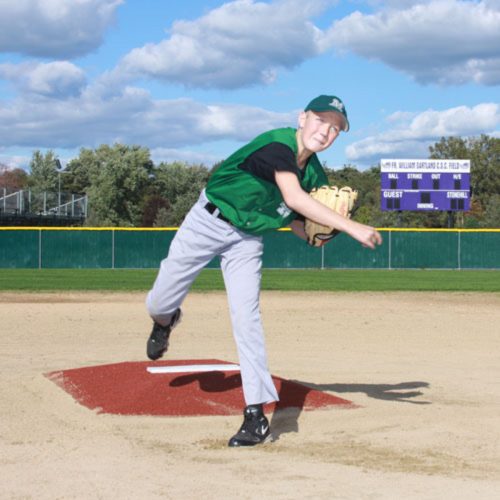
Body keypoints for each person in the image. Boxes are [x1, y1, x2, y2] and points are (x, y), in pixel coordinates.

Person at [145, 95, 382, 447]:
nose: (326, 131)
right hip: (207, 221)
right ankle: (165, 321)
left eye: (336, 128)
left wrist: (319, 236)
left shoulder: (315, 173)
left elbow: (300, 224)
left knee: (247, 317)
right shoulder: (277, 145)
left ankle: (255, 415)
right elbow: (293, 199)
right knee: (159, 300)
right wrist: (353, 228)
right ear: (303, 118)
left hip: (248, 238)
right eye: (321, 120)